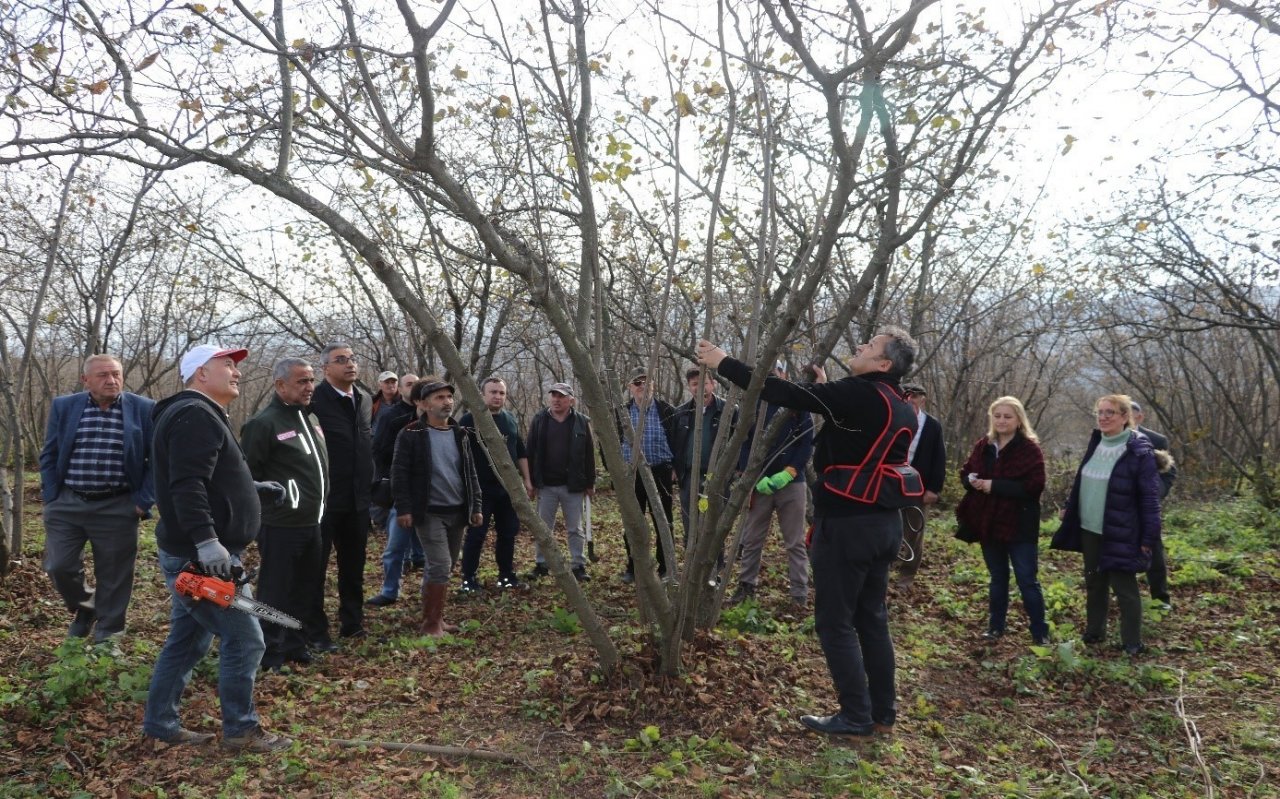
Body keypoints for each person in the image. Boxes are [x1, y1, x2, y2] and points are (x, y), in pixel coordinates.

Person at [697, 328, 918, 739]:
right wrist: (827, 394)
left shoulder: (858, 394)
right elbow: (855, 428)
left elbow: (782, 393)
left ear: (884, 365)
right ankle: (882, 714)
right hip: (885, 525)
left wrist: (723, 362)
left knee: (835, 623)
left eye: (868, 347)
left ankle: (855, 716)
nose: (859, 347)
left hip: (849, 525)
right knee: (872, 619)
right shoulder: (900, 404)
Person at [142, 344, 290, 752]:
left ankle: (160, 724)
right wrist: (208, 542)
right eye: (227, 365)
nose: (236, 372)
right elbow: (185, 484)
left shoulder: (200, 413)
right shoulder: (194, 414)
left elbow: (202, 476)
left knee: (188, 641)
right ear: (200, 374)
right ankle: (241, 731)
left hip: (200, 552)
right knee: (246, 640)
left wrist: (251, 490)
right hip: (204, 560)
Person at [40, 354, 155, 644]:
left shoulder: (143, 409)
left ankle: (109, 633)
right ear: (86, 380)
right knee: (59, 566)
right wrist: (52, 495)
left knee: (115, 574)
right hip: (68, 502)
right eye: (103, 375)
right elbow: (50, 453)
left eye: (116, 374)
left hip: (118, 504)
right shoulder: (65, 406)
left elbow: (157, 460)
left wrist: (143, 501)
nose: (111, 380)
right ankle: (87, 607)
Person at [1051, 394, 1167, 656]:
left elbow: (1149, 500)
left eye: (1110, 413)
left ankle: (1132, 643)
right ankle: (1095, 632)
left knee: (1124, 588)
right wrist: (1071, 508)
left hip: (1122, 530)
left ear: (1125, 417)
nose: (1103, 417)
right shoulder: (1097, 443)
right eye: (1100, 412)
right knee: (1094, 582)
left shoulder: (1139, 449)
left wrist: (1148, 539)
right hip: (1090, 528)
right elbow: (1084, 480)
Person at [240, 358, 329, 671]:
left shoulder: (311, 418)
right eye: (301, 381)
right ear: (280, 385)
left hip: (312, 522)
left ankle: (295, 644)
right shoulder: (264, 424)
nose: (309, 387)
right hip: (280, 524)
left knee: (305, 587)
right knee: (275, 590)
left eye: (311, 380)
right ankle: (268, 651)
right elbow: (247, 477)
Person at [390, 378, 483, 635]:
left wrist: (476, 505)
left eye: (449, 397)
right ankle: (431, 624)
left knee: (445, 564)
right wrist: (404, 508)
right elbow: (399, 473)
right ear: (422, 403)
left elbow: (470, 473)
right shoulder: (411, 434)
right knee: (440, 563)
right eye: (439, 398)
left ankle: (435, 618)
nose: (447, 402)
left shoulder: (460, 433)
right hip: (428, 511)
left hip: (458, 510)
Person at [954, 396, 1049, 645]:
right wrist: (971, 481)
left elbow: (1034, 486)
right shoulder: (984, 445)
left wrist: (993, 485)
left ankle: (1040, 632)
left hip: (1020, 523)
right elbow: (965, 473)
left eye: (1007, 416)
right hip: (989, 521)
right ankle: (995, 627)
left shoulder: (1029, 448)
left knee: (1027, 579)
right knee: (998, 577)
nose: (1002, 421)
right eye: (997, 416)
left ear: (1019, 420)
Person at [727, 361, 814, 608]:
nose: (772, 375)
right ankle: (746, 586)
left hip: (792, 483)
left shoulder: (796, 401)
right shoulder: (752, 404)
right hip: (760, 482)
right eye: (768, 371)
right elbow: (743, 443)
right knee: (752, 538)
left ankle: (799, 592)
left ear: (784, 373)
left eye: (777, 370)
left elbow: (807, 441)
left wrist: (790, 471)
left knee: (794, 540)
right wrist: (751, 474)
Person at [305, 343, 374, 649]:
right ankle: (314, 631)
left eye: (353, 358)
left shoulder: (364, 399)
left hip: (357, 500)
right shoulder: (314, 400)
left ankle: (352, 623)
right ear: (326, 369)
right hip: (324, 500)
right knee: (315, 568)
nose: (350, 364)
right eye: (341, 360)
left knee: (353, 565)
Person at [458, 377, 534, 593]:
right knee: (476, 534)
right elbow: (460, 456)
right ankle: (468, 580)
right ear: (482, 394)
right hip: (480, 489)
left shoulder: (509, 419)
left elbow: (520, 451)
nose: (497, 396)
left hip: (507, 488)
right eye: (493, 392)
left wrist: (526, 480)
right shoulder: (469, 420)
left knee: (508, 532)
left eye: (501, 393)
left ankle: (506, 576)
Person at [367, 374, 430, 607]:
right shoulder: (393, 418)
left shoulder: (441, 423)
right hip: (399, 491)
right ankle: (389, 590)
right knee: (394, 547)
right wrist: (394, 473)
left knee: (431, 550)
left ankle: (429, 594)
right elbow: (378, 450)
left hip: (430, 494)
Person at [525, 382, 596, 581]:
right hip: (545, 485)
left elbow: (589, 455)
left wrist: (590, 483)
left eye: (561, 396)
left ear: (571, 400)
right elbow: (530, 451)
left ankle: (578, 565)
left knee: (575, 528)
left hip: (573, 485)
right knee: (543, 527)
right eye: (554, 395)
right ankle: (541, 563)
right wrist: (529, 481)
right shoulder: (539, 420)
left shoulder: (581, 421)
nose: (556, 399)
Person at [616, 367, 678, 584]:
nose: (642, 386)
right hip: (631, 475)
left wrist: (675, 469)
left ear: (653, 384)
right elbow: (608, 445)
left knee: (664, 521)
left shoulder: (667, 410)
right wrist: (615, 472)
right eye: (637, 383)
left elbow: (678, 441)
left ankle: (665, 566)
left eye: (646, 382)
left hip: (661, 471)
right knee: (633, 522)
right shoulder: (621, 412)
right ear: (630, 387)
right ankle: (634, 567)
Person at [671, 366, 737, 541]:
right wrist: (675, 469)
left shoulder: (729, 410)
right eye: (694, 384)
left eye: (704, 383)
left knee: (714, 527)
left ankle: (717, 564)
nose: (699, 388)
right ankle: (691, 563)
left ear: (713, 384)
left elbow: (739, 443)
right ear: (689, 387)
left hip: (717, 476)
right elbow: (675, 444)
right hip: (689, 476)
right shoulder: (681, 413)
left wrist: (733, 471)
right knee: (690, 525)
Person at [895, 383, 947, 591]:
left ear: (922, 399)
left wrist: (933, 488)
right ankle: (884, 567)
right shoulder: (894, 419)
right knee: (887, 529)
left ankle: (906, 577)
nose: (911, 400)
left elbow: (939, 459)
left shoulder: (932, 426)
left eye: (916, 396)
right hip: (891, 484)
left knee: (914, 533)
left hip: (919, 487)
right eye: (908, 396)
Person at [1131, 401, 1177, 610]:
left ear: (1141, 417)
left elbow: (1168, 473)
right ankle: (1126, 599)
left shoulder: (1157, 440)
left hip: (1147, 508)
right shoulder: (1109, 439)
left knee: (1154, 551)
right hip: (1118, 507)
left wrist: (1155, 494)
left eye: (1132, 415)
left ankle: (1160, 599)